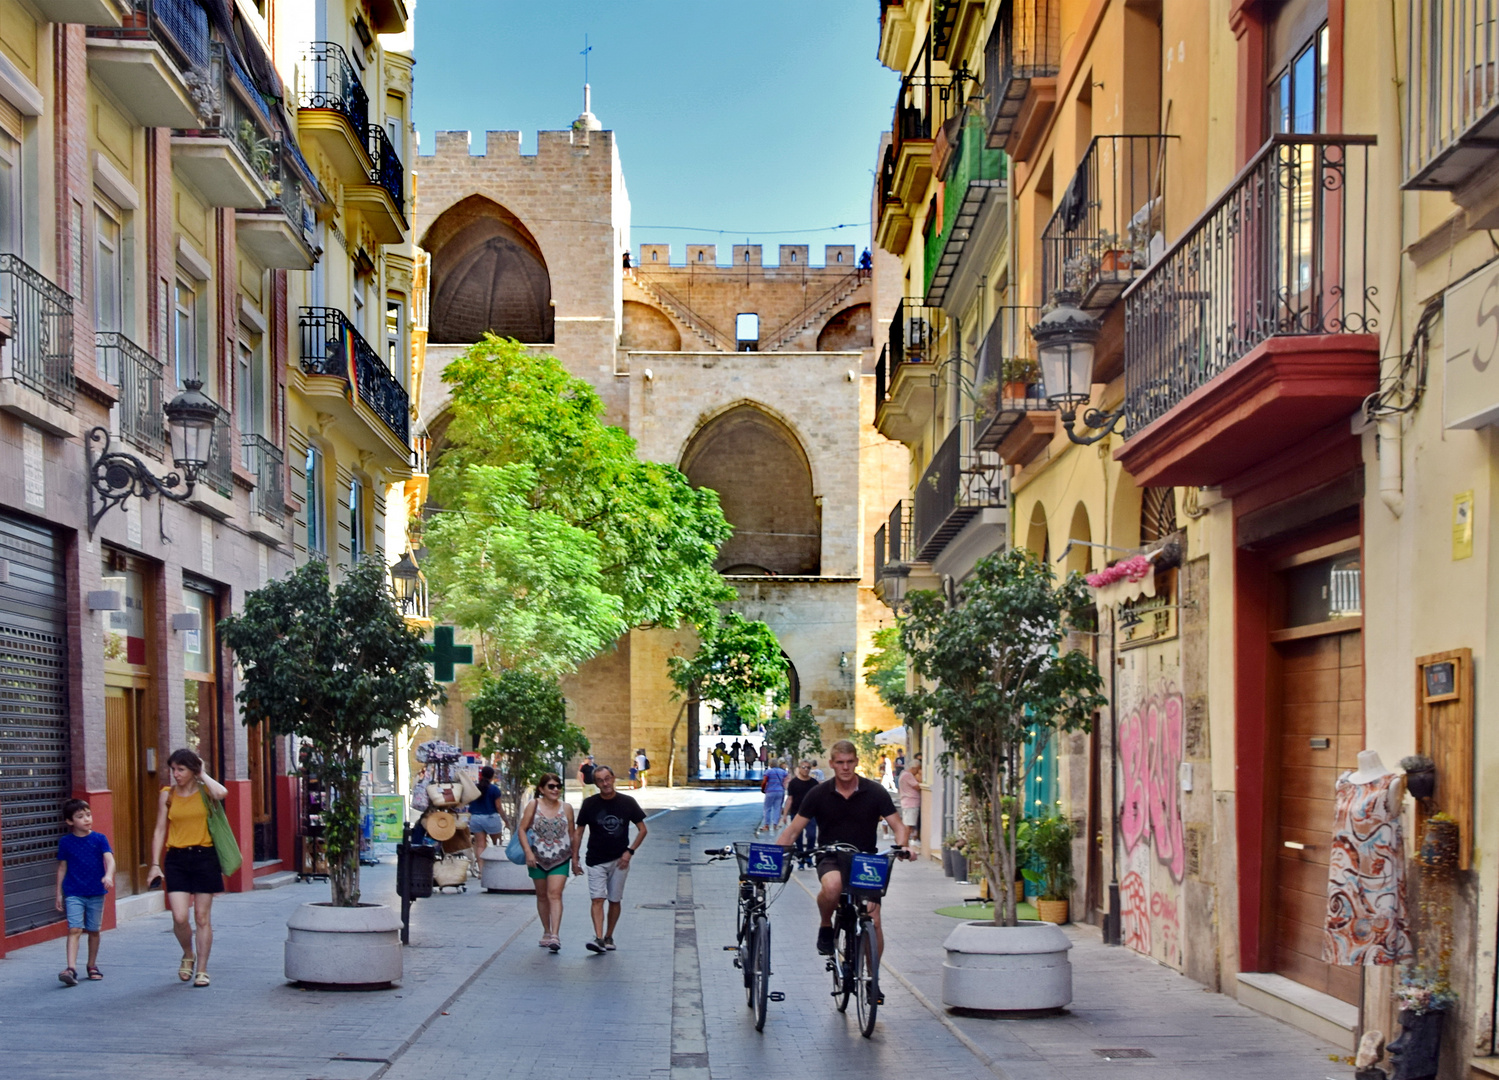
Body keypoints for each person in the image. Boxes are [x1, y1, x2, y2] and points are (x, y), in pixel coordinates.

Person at [776, 739, 909, 956]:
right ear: (832, 763)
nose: (845, 767)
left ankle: (871, 981)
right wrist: (776, 856)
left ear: (856, 761)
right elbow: (792, 830)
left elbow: (899, 826)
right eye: (840, 762)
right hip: (831, 857)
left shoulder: (875, 792)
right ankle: (826, 924)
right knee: (833, 886)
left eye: (849, 762)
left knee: (873, 921)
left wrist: (903, 847)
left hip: (865, 860)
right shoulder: (819, 794)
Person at [147, 748, 229, 987]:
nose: (176, 774)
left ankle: (202, 969)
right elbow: (160, 829)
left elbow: (222, 792)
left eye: (181, 769)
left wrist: (202, 773)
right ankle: (188, 953)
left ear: (193, 770)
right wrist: (154, 864)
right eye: (173, 769)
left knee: (202, 917)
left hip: (205, 857)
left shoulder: (206, 791)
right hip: (177, 859)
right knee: (180, 916)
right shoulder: (167, 794)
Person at [571, 765, 647, 953]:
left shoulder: (627, 802)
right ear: (595, 783)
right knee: (597, 898)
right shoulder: (589, 804)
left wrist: (630, 851)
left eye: (607, 779)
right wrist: (575, 858)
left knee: (614, 899)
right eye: (600, 780)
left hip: (620, 860)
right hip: (596, 858)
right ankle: (598, 938)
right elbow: (578, 832)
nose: (605, 783)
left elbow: (643, 829)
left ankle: (609, 935)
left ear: (613, 778)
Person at [55, 799, 114, 986]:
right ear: (70, 821)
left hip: (96, 891)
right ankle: (71, 968)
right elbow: (62, 868)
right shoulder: (65, 842)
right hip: (73, 891)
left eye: (88, 814)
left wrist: (109, 875)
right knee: (74, 928)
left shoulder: (99, 839)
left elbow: (110, 860)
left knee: (94, 930)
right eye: (80, 816)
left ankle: (92, 965)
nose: (87, 819)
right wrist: (58, 893)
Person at [518, 773, 576, 953]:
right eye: (551, 786)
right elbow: (522, 829)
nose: (556, 790)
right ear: (541, 789)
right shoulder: (533, 805)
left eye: (558, 786)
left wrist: (575, 858)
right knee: (542, 895)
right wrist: (528, 851)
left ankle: (555, 935)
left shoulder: (566, 808)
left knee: (555, 894)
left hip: (560, 856)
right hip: (537, 857)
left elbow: (572, 834)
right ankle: (546, 930)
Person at [782, 761, 820, 868]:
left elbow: (818, 799)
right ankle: (800, 858)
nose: (806, 769)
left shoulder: (814, 783)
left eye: (808, 768)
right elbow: (790, 799)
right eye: (804, 767)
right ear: (799, 768)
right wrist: (785, 814)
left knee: (812, 835)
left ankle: (808, 856)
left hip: (811, 814)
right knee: (797, 836)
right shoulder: (794, 783)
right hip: (796, 812)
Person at [466, 765, 505, 858]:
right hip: (491, 818)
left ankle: (481, 871)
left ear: (481, 775)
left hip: (476, 819)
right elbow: (498, 807)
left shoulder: (474, 788)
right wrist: (505, 820)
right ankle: (495, 868)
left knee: (480, 846)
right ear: (492, 776)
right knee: (497, 844)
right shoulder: (494, 789)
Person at [758, 757, 788, 834]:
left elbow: (764, 781)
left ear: (770, 764)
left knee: (767, 808)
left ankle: (767, 825)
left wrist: (763, 789)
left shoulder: (768, 772)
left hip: (770, 791)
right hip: (780, 791)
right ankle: (775, 824)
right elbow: (786, 781)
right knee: (777, 808)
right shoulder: (783, 772)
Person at [898, 761, 922, 843]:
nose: (917, 772)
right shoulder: (908, 775)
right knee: (908, 825)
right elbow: (917, 786)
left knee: (908, 824)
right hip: (911, 803)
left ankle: (905, 842)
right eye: (917, 770)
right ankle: (904, 843)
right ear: (914, 768)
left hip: (907, 802)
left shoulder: (903, 773)